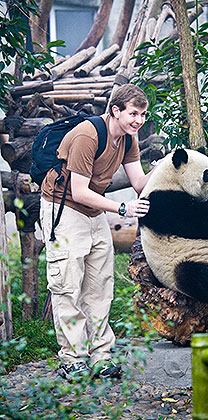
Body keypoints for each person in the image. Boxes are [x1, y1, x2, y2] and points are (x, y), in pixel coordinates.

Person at [40, 84, 152, 381]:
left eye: (142, 114)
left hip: (95, 212)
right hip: (64, 209)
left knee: (100, 287)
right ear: (116, 110)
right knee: (68, 285)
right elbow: (79, 191)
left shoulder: (129, 139)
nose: (138, 120)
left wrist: (171, 166)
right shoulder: (88, 135)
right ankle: (73, 358)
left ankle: (100, 356)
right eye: (133, 113)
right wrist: (121, 209)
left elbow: (140, 183)